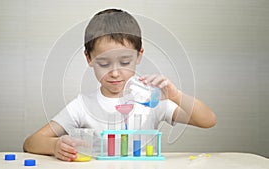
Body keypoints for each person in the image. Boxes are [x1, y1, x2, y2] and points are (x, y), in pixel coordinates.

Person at [23, 8, 216, 162]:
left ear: (139, 55)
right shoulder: (82, 106)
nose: (115, 72)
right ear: (88, 58)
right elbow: (31, 143)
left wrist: (175, 95)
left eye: (124, 62)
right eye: (104, 63)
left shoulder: (152, 101)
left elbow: (208, 120)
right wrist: (55, 146)